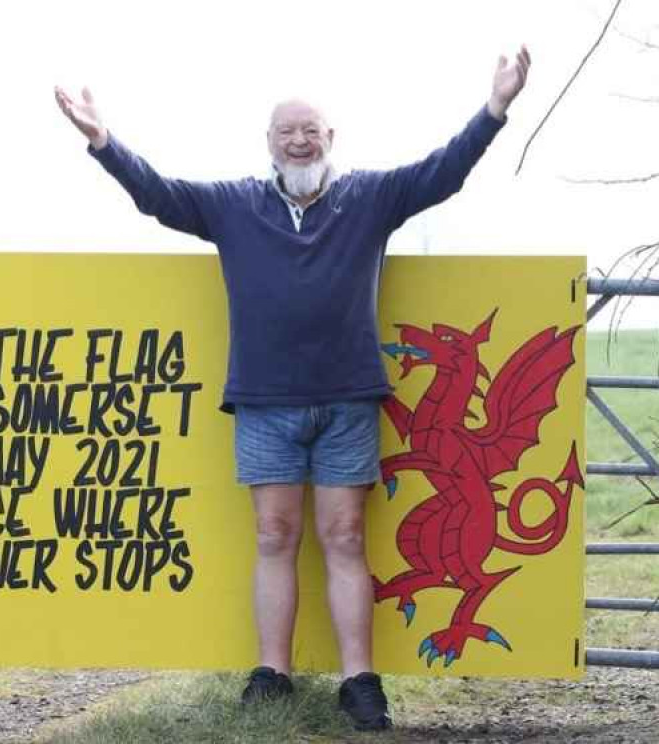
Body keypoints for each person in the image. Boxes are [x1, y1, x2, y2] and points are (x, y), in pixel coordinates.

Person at [54, 46, 530, 732]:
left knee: (343, 538)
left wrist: (494, 109)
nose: (300, 140)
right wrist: (102, 140)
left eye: (311, 130)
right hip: (264, 402)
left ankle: (359, 683)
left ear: (330, 138)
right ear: (269, 144)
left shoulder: (371, 197)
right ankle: (271, 675)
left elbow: (443, 174)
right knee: (274, 536)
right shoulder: (231, 206)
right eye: (287, 132)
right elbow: (156, 196)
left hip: (348, 400)